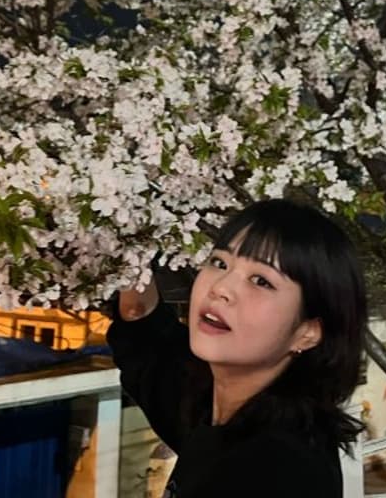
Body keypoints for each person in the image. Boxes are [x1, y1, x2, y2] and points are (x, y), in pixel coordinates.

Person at [107, 198, 367, 497]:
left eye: (261, 281)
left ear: (308, 332)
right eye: (220, 263)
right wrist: (126, 217)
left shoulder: (279, 471)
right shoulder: (222, 407)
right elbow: (146, 336)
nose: (221, 287)